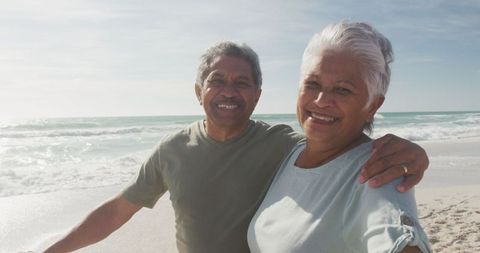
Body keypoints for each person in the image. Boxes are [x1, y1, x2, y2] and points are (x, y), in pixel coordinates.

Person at [44, 41, 429, 253]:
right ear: (199, 92)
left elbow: (340, 143)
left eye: (242, 82)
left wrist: (413, 154)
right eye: (217, 80)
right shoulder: (172, 150)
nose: (229, 91)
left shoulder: (285, 144)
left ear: (258, 95)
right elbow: (117, 211)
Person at [247, 21, 431, 253]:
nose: (322, 100)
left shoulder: (377, 175)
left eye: (343, 89)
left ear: (372, 105)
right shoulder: (293, 151)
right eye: (313, 84)